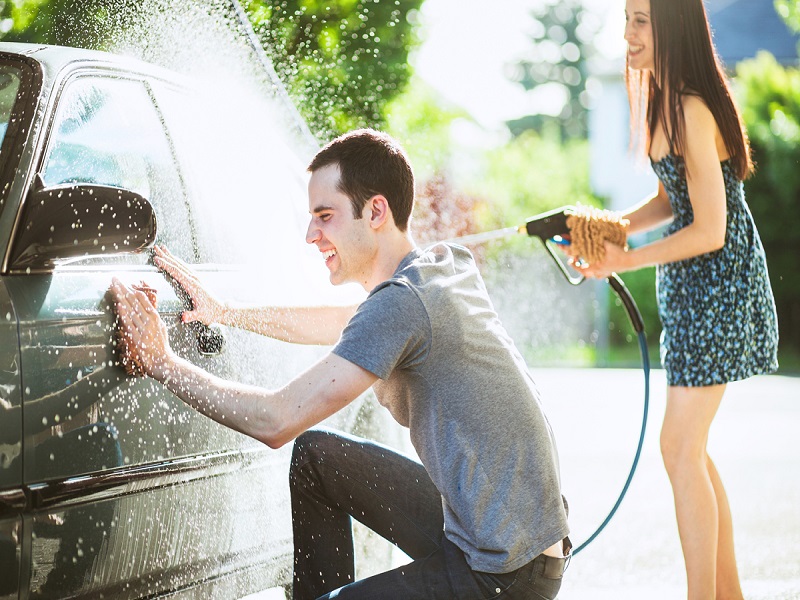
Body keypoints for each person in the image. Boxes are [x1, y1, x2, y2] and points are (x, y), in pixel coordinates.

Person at [111, 128, 571, 599]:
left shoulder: (403, 305)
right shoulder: (437, 270)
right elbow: (344, 323)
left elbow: (276, 420)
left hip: (502, 573)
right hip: (497, 532)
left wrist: (160, 360)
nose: (311, 235)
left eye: (325, 216)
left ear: (376, 211)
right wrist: (225, 311)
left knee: (299, 439)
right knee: (316, 456)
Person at [574, 1, 779, 598]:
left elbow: (711, 228)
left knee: (679, 447)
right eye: (628, 18)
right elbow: (672, 200)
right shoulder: (662, 98)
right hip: (692, 291)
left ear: (674, 26)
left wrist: (625, 260)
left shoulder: (691, 106)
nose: (628, 32)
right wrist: (612, 227)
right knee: (690, 450)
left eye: (643, 20)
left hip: (722, 288)